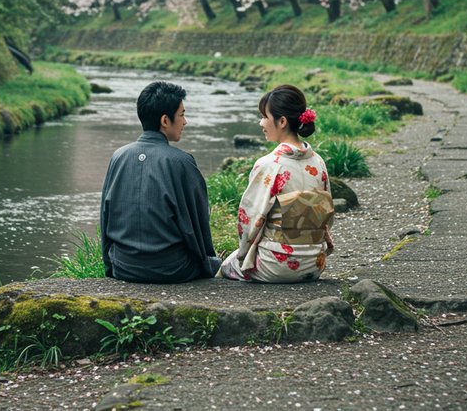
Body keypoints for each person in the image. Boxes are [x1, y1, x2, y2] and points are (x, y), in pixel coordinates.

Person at [100, 81, 221, 283]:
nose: (185, 121)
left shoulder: (118, 156)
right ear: (165, 120)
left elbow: (106, 214)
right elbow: (197, 223)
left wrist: (109, 265)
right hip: (173, 269)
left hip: (124, 267)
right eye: (182, 115)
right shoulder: (182, 161)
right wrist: (208, 262)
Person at [220, 84, 335, 283]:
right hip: (315, 264)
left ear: (281, 121)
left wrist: (243, 255)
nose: (261, 122)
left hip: (276, 266)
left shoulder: (269, 165)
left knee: (225, 265)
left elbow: (249, 220)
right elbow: (326, 217)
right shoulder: (318, 162)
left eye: (264, 116)